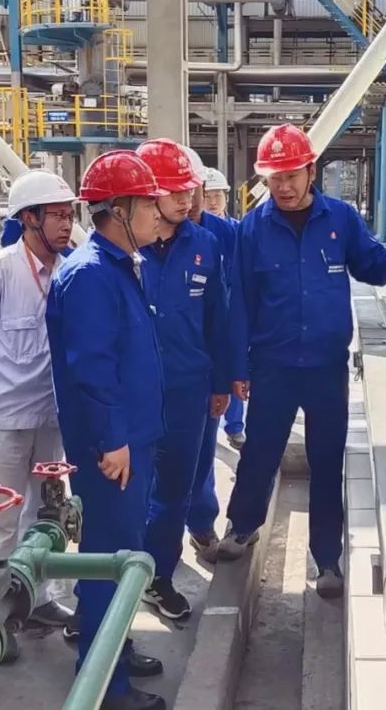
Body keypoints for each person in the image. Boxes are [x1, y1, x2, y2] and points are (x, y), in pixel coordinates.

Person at [218, 124, 386, 599]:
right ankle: (242, 526)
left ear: (311, 171)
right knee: (259, 451)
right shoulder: (252, 228)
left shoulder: (340, 218)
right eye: (275, 178)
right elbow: (240, 301)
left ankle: (327, 558)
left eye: (291, 176)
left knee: (326, 458)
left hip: (326, 366)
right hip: (273, 364)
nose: (283, 187)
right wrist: (237, 366)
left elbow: (370, 266)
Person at [47, 151, 166, 710]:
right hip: (112, 448)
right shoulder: (92, 274)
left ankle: (117, 648)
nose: (157, 213)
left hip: (132, 437)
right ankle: (107, 685)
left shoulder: (118, 265)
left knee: (122, 555)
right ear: (118, 211)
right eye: (147, 204)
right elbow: (91, 367)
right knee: (108, 560)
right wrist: (113, 439)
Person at [0, 169, 77, 628]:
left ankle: (38, 600)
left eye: (69, 215)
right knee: (1, 520)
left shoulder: (71, 271)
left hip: (51, 416)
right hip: (3, 419)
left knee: (45, 515)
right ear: (29, 218)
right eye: (56, 215)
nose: (66, 224)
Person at [135, 140, 228, 620]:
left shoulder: (204, 244)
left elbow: (219, 317)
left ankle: (159, 578)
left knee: (174, 491)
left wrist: (223, 381)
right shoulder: (123, 249)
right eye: (174, 191)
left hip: (189, 389)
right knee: (130, 492)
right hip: (134, 392)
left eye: (189, 189)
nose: (187, 198)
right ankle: (110, 587)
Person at [178, 147, 237, 563]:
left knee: (201, 455)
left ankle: (201, 524)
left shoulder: (219, 236)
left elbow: (227, 304)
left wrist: (227, 370)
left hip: (204, 362)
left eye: (196, 189)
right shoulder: (150, 238)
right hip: (162, 369)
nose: (192, 198)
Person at [201, 166, 246, 450]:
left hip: (231, 308)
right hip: (205, 312)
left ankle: (235, 426)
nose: (213, 201)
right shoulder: (194, 232)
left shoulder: (234, 231)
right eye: (207, 196)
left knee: (234, 367)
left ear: (226, 197)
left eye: (217, 195)